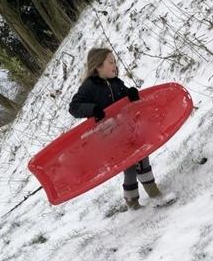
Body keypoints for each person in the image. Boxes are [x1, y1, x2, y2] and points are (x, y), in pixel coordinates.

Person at [68, 47, 162, 210]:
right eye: (111, 62)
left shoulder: (117, 83)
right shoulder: (89, 86)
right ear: (98, 66)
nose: (115, 65)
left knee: (141, 159)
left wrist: (131, 94)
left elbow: (127, 98)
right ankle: (139, 200)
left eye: (115, 62)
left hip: (130, 129)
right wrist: (92, 109)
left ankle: (145, 197)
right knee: (131, 167)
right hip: (111, 137)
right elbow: (74, 107)